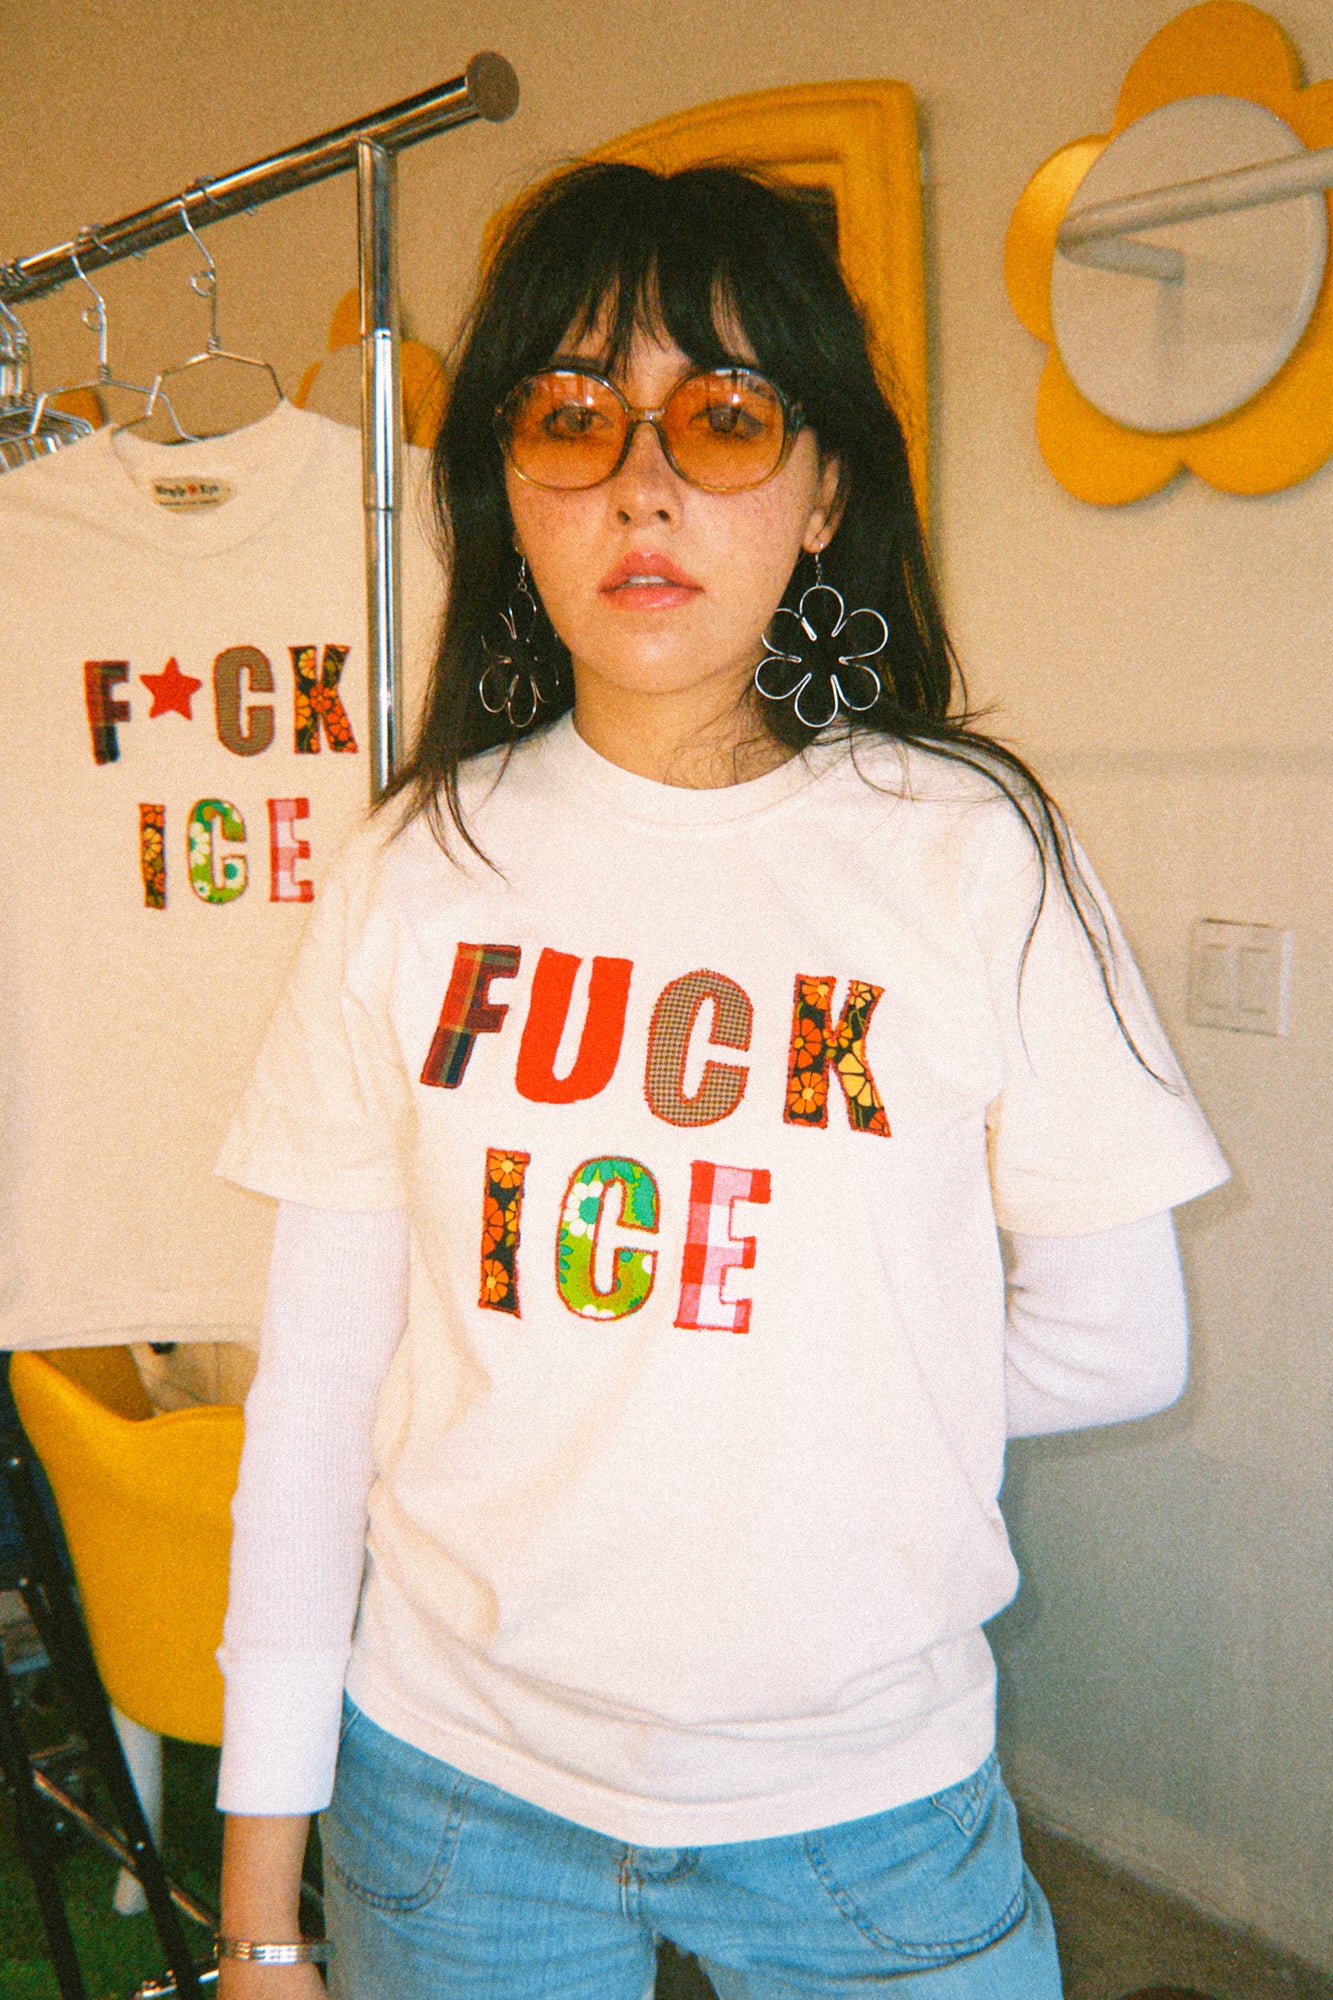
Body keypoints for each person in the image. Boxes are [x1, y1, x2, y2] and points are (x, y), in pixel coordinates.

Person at [213, 162, 1228, 2000]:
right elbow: (317, 1400)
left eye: (727, 416)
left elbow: (1119, 1341)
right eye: (571, 417)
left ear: (826, 485)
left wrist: (774, 1395)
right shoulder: (411, 869)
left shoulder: (968, 851)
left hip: (865, 1807)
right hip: (450, 1798)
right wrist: (262, 1906)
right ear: (503, 486)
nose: (642, 485)